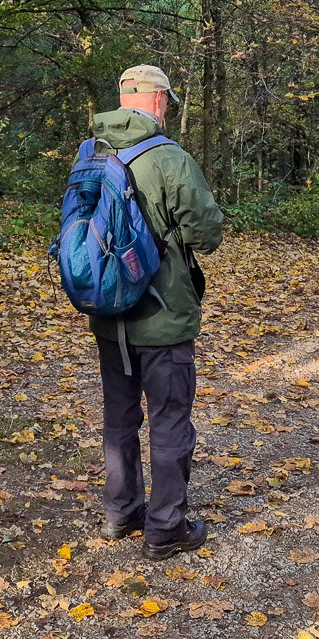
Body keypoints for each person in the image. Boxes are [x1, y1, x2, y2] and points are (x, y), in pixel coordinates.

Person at [87, 64, 223, 560]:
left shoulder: (93, 152)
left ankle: (120, 512)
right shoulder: (170, 158)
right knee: (169, 419)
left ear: (122, 98)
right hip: (162, 316)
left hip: (106, 310)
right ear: (160, 101)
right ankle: (166, 526)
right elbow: (206, 233)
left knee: (119, 417)